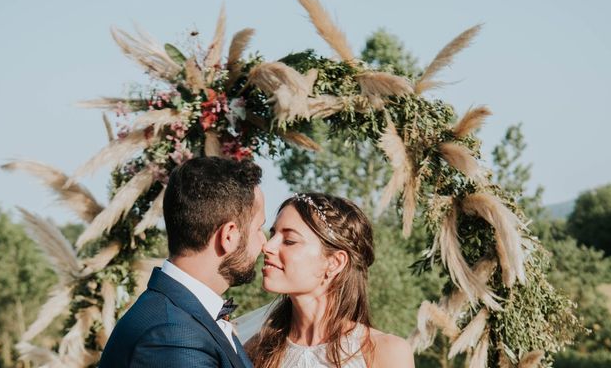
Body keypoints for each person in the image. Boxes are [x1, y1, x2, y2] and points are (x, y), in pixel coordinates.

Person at [100, 156, 267, 368]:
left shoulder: (180, 314)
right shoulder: (173, 336)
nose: (264, 243)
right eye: (259, 229)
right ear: (229, 236)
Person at [246, 193, 414, 368]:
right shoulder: (255, 351)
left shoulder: (385, 352)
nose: (267, 246)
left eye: (289, 241)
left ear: (335, 262)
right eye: (272, 235)